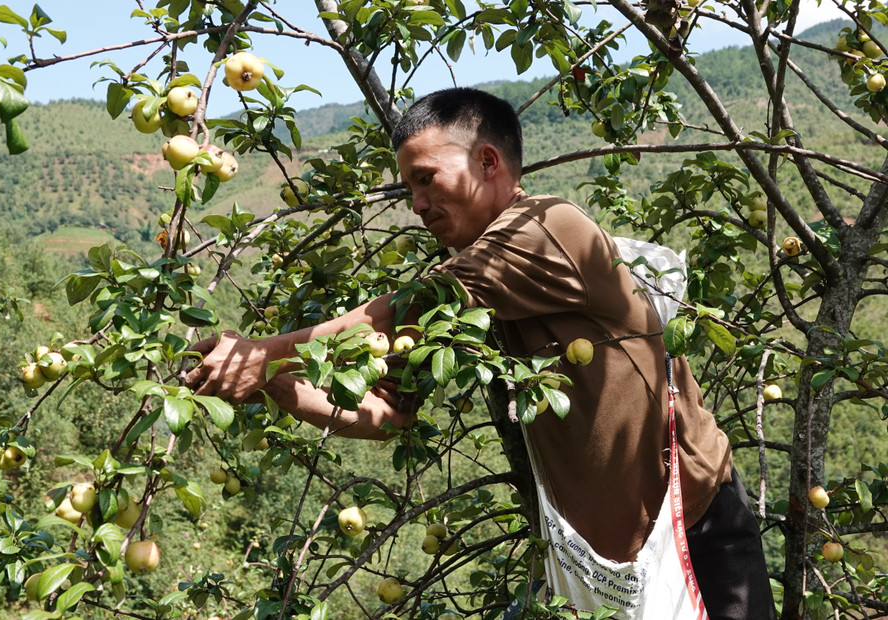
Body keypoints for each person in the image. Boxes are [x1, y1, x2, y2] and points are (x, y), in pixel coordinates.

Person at [185, 88, 774, 618]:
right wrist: (271, 378)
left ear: (487, 162)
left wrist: (263, 353)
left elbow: (415, 303)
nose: (415, 204)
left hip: (694, 529)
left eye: (425, 178)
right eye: (409, 186)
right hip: (603, 573)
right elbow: (387, 414)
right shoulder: (470, 294)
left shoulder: (551, 227)